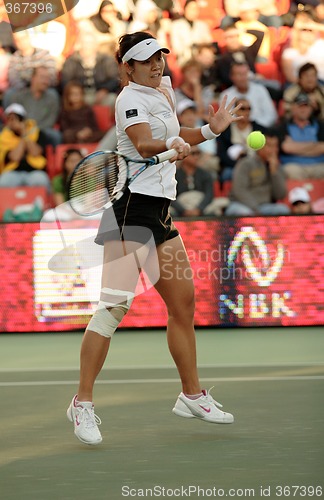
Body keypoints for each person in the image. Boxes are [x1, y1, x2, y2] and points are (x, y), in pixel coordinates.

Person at [66, 31, 243, 445]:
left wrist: (208, 130)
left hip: (160, 211)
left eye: (159, 56)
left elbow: (176, 132)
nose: (156, 64)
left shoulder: (163, 88)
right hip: (131, 209)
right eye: (145, 60)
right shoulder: (128, 98)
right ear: (127, 67)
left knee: (184, 304)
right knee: (113, 308)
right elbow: (146, 144)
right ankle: (82, 403)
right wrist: (172, 146)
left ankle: (191, 395)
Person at [225, 130, 290, 215]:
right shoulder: (246, 163)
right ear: (260, 146)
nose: (273, 150)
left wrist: (274, 172)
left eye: (275, 146)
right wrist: (255, 209)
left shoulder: (277, 166)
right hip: (241, 205)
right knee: (246, 213)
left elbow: (280, 195)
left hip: (264, 207)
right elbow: (239, 190)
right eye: (269, 146)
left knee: (283, 210)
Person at [5, 67, 61, 147]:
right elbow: (15, 117)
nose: (46, 81)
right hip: (21, 129)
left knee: (55, 135)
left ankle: (55, 159)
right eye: (42, 77)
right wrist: (24, 129)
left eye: (48, 78)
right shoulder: (19, 96)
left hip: (42, 130)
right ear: (33, 78)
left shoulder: (52, 96)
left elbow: (51, 119)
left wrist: (34, 131)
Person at [0, 103, 50, 193]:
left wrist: (24, 133)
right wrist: (22, 136)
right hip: (13, 172)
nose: (11, 122)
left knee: (41, 180)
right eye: (8, 119)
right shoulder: (4, 137)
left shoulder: (37, 132)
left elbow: (35, 152)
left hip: (34, 171)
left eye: (14, 119)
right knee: (3, 182)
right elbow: (15, 157)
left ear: (23, 120)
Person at [217, 97, 264, 181]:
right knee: (227, 174)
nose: (247, 112)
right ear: (236, 110)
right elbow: (222, 153)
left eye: (249, 109)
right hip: (233, 165)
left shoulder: (259, 129)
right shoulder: (226, 129)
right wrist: (238, 165)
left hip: (255, 164)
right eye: (243, 109)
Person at [278, 92, 324, 179]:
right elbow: (286, 148)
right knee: (289, 171)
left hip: (318, 164)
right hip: (294, 165)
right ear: (293, 108)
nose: (303, 109)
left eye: (306, 106)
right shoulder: (283, 126)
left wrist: (296, 147)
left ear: (311, 108)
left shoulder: (320, 125)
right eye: (300, 106)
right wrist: (314, 146)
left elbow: (323, 148)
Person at [218, 62, 278, 127]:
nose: (243, 78)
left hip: (261, 130)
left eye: (245, 74)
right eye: (239, 74)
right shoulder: (225, 96)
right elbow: (225, 119)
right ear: (232, 77)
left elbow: (271, 115)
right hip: (235, 133)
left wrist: (254, 126)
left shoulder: (261, 90)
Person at [171, 147, 227, 216]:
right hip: (181, 204)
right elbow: (170, 196)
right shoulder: (174, 175)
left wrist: (199, 209)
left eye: (198, 153)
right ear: (183, 156)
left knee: (219, 206)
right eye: (193, 154)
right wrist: (183, 210)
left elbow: (209, 195)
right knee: (168, 211)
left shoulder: (205, 173)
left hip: (201, 204)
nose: (197, 157)